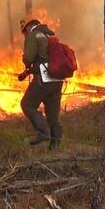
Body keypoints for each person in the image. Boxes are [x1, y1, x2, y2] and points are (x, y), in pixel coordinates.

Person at [17, 17, 63, 149]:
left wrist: (25, 59)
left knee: (27, 104)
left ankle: (43, 132)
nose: (25, 35)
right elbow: (45, 58)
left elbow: (29, 59)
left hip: (44, 78)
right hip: (57, 79)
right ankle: (54, 148)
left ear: (26, 28)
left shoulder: (33, 35)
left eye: (24, 32)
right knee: (53, 115)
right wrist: (27, 73)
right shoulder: (48, 35)